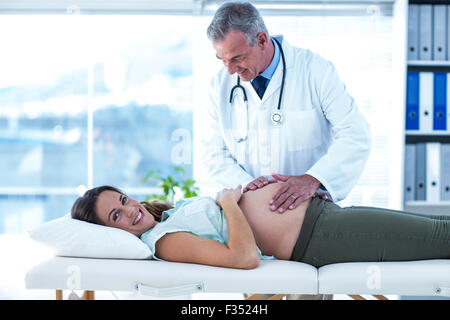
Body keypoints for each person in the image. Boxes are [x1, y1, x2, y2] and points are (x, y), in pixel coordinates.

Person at [200, 1, 372, 214]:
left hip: (312, 210)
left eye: (237, 58)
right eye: (222, 59)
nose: (230, 71)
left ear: (262, 40)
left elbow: (356, 134)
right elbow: (214, 154)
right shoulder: (219, 86)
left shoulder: (315, 71)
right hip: (252, 212)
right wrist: (251, 188)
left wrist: (313, 180)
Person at [71, 184, 450, 270]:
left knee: (441, 225)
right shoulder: (164, 242)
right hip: (319, 237)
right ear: (110, 232)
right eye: (116, 216)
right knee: (442, 237)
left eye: (122, 200)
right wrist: (228, 202)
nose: (130, 209)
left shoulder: (168, 217)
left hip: (323, 215)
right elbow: (243, 257)